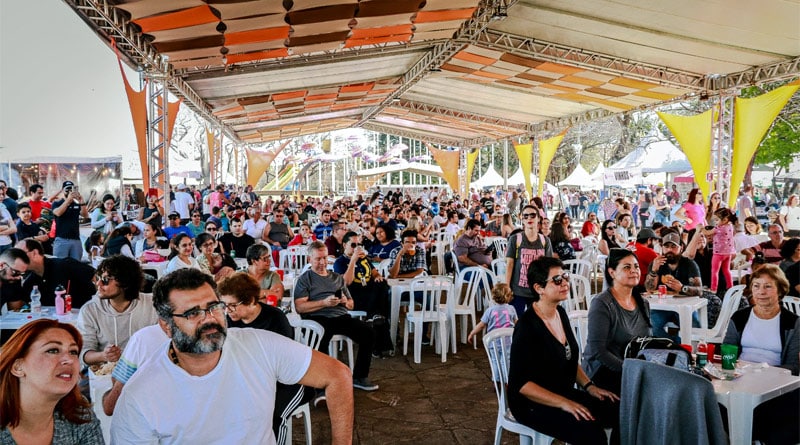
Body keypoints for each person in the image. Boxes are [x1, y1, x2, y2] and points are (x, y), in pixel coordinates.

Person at [110, 268, 353, 444]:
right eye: (193, 313)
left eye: (214, 307)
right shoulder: (140, 397)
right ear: (165, 326)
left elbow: (338, 375)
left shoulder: (258, 345)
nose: (210, 319)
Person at [509, 257, 619, 444]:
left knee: (617, 410)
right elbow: (522, 385)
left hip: (562, 391)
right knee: (590, 432)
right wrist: (564, 403)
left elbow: (568, 357)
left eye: (565, 277)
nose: (565, 283)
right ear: (539, 288)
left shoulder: (560, 313)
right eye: (557, 280)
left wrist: (589, 386)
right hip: (532, 403)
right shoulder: (527, 327)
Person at [723, 264, 799, 444]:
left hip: (774, 382)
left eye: (768, 286)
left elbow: (794, 367)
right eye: (756, 286)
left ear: (780, 290)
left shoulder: (793, 323)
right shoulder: (739, 317)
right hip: (739, 378)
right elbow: (727, 350)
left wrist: (763, 370)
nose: (761, 292)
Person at [294, 241, 379, 395]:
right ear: (309, 260)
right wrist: (323, 303)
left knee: (369, 333)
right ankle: (321, 384)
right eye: (318, 259)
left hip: (340, 316)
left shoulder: (337, 278)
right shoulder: (305, 279)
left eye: (325, 258)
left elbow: (352, 304)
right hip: (317, 317)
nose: (322, 262)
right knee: (321, 338)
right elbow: (300, 307)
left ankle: (360, 376)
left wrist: (347, 302)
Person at [0, 319, 104, 444]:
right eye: (53, 350)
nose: (69, 360)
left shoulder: (80, 416)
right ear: (18, 367)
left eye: (73, 352)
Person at [583, 248, 651, 395]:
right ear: (612, 272)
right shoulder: (602, 303)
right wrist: (631, 370)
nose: (634, 271)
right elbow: (598, 351)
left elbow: (647, 341)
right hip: (602, 372)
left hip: (633, 369)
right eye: (627, 267)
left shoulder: (643, 303)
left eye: (636, 266)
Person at [77, 255, 157, 367]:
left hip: (145, 369)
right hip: (105, 372)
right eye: (98, 278)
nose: (98, 284)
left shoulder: (152, 306)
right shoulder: (90, 310)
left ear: (125, 282)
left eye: (105, 280)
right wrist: (103, 355)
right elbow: (83, 353)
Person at [16, 239, 96, 308]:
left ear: (34, 253)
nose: (16, 259)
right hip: (52, 322)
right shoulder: (30, 282)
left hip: (83, 317)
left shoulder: (65, 265)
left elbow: (97, 276)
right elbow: (17, 308)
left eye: (20, 254)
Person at [505, 205, 552, 315]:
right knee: (517, 324)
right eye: (525, 216)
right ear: (522, 219)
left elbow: (548, 266)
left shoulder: (545, 241)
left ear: (539, 219)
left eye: (532, 215)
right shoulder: (515, 239)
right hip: (518, 291)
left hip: (538, 291)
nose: (529, 218)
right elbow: (510, 264)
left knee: (537, 324)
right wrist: (507, 287)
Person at [333, 231, 389, 319]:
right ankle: (376, 316)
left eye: (358, 245)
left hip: (368, 290)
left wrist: (378, 276)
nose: (356, 248)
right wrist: (353, 260)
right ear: (344, 245)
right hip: (354, 294)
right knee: (380, 298)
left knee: (383, 284)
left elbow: (374, 273)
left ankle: (381, 319)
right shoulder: (340, 262)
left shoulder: (363, 258)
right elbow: (346, 282)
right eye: (353, 245)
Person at [51, 181, 89, 261]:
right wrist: (68, 200)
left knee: (76, 265)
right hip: (62, 239)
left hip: (75, 239)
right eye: (67, 189)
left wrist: (81, 201)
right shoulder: (57, 203)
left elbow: (85, 215)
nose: (69, 191)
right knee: (60, 265)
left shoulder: (76, 203)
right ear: (62, 190)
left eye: (71, 189)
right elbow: (58, 213)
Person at [705, 207, 736, 294]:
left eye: (716, 220)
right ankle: (730, 286)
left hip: (718, 253)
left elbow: (707, 232)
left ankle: (713, 288)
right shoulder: (730, 226)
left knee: (715, 271)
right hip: (728, 253)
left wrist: (700, 228)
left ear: (725, 219)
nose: (715, 222)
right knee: (726, 270)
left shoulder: (719, 228)